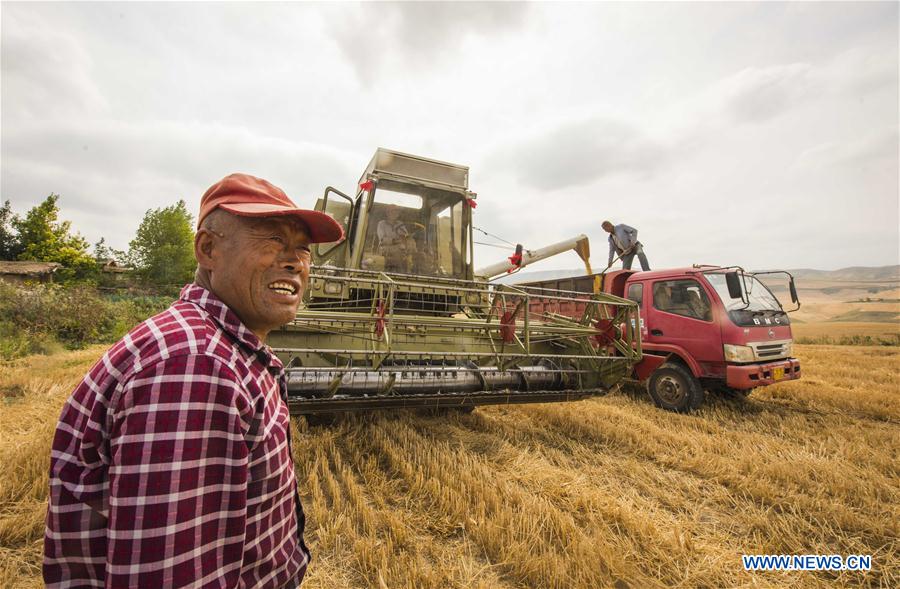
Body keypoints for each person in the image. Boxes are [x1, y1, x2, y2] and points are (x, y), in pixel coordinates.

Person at [43, 173, 343, 588]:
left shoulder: (214, 347)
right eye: (272, 240)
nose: (294, 261)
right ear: (208, 249)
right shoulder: (196, 366)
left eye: (302, 249)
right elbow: (174, 574)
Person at [376, 204, 416, 272]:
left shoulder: (400, 224)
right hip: (386, 252)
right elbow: (382, 240)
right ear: (387, 213)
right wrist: (396, 241)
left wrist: (409, 238)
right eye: (392, 211)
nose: (394, 213)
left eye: (396, 212)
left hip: (400, 252)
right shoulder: (381, 224)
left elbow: (406, 236)